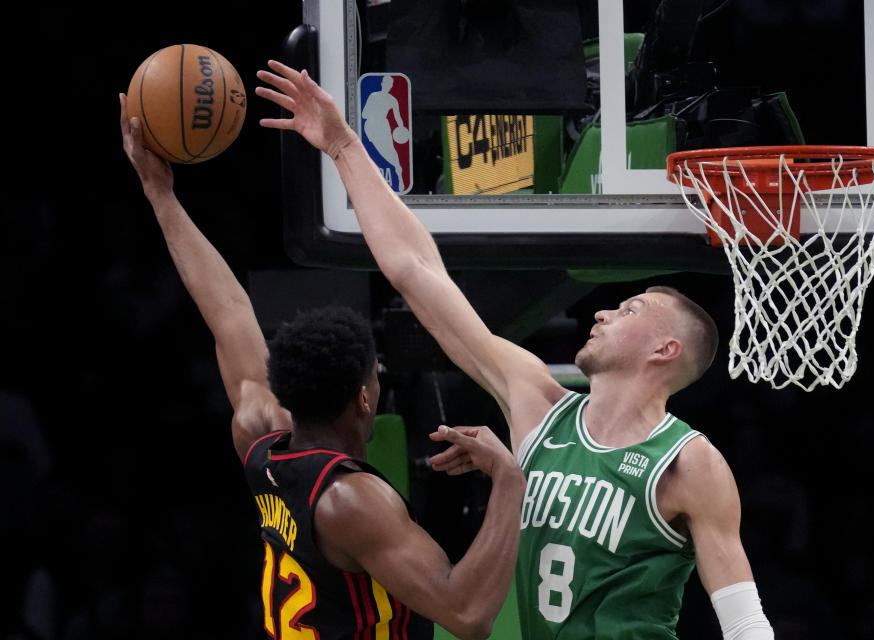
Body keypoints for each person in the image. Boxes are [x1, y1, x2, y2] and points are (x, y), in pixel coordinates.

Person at [254, 60, 776, 640]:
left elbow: (744, 618)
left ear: (665, 349)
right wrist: (344, 145)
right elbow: (417, 269)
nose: (602, 311)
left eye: (628, 310)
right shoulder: (536, 403)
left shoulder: (689, 461)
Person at [119, 93, 526, 640]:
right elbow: (467, 614)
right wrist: (509, 479)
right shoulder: (352, 502)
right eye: (375, 373)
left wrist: (160, 194)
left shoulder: (260, 439)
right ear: (362, 397)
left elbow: (230, 314)